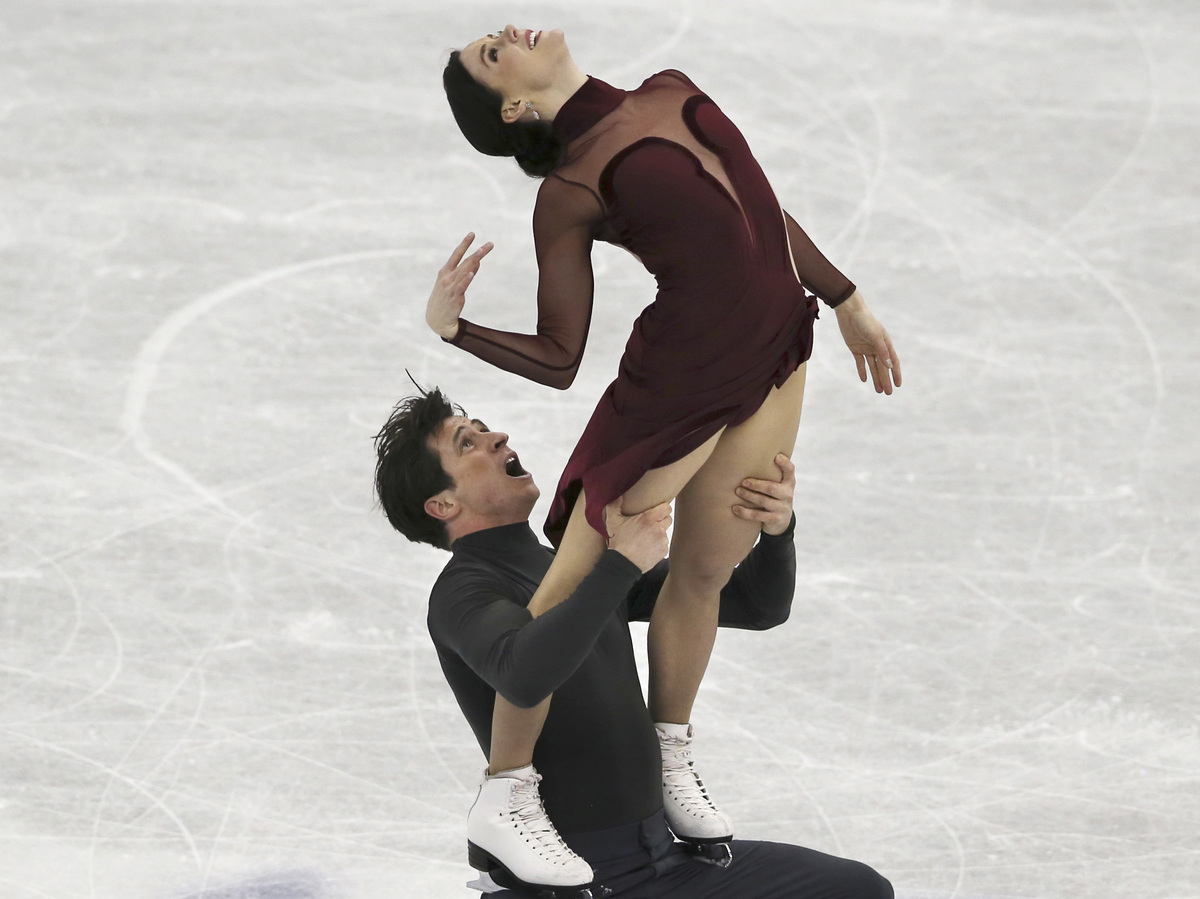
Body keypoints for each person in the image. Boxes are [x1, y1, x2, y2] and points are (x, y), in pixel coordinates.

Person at [427, 23, 902, 890]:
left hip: (775, 351)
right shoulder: (569, 188)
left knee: (707, 567)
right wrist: (456, 330)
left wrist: (844, 297)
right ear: (516, 105)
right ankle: (507, 790)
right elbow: (560, 354)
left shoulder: (666, 87)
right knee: (572, 580)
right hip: (679, 375)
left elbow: (761, 213)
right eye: (492, 55)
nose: (506, 32)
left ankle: (670, 751)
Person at [373, 385, 894, 899]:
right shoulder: (463, 591)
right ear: (442, 504)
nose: (497, 438)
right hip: (569, 880)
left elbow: (756, 605)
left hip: (662, 859)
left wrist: (777, 531)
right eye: (467, 443)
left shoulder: (570, 564)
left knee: (858, 890)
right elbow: (523, 673)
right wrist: (619, 565)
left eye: (484, 430)